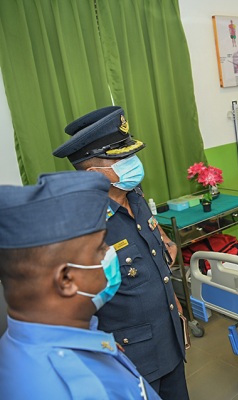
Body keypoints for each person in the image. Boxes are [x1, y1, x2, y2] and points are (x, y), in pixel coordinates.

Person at [53, 106, 189, 399]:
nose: (134, 163)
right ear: (95, 174)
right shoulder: (80, 227)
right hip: (131, 361)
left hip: (169, 339)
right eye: (123, 159)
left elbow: (155, 243)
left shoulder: (134, 195)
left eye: (131, 155)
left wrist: (165, 251)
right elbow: (67, 308)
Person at [0, 171, 160, 399]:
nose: (110, 253)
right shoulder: (79, 389)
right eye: (100, 248)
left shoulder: (27, 346)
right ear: (66, 280)